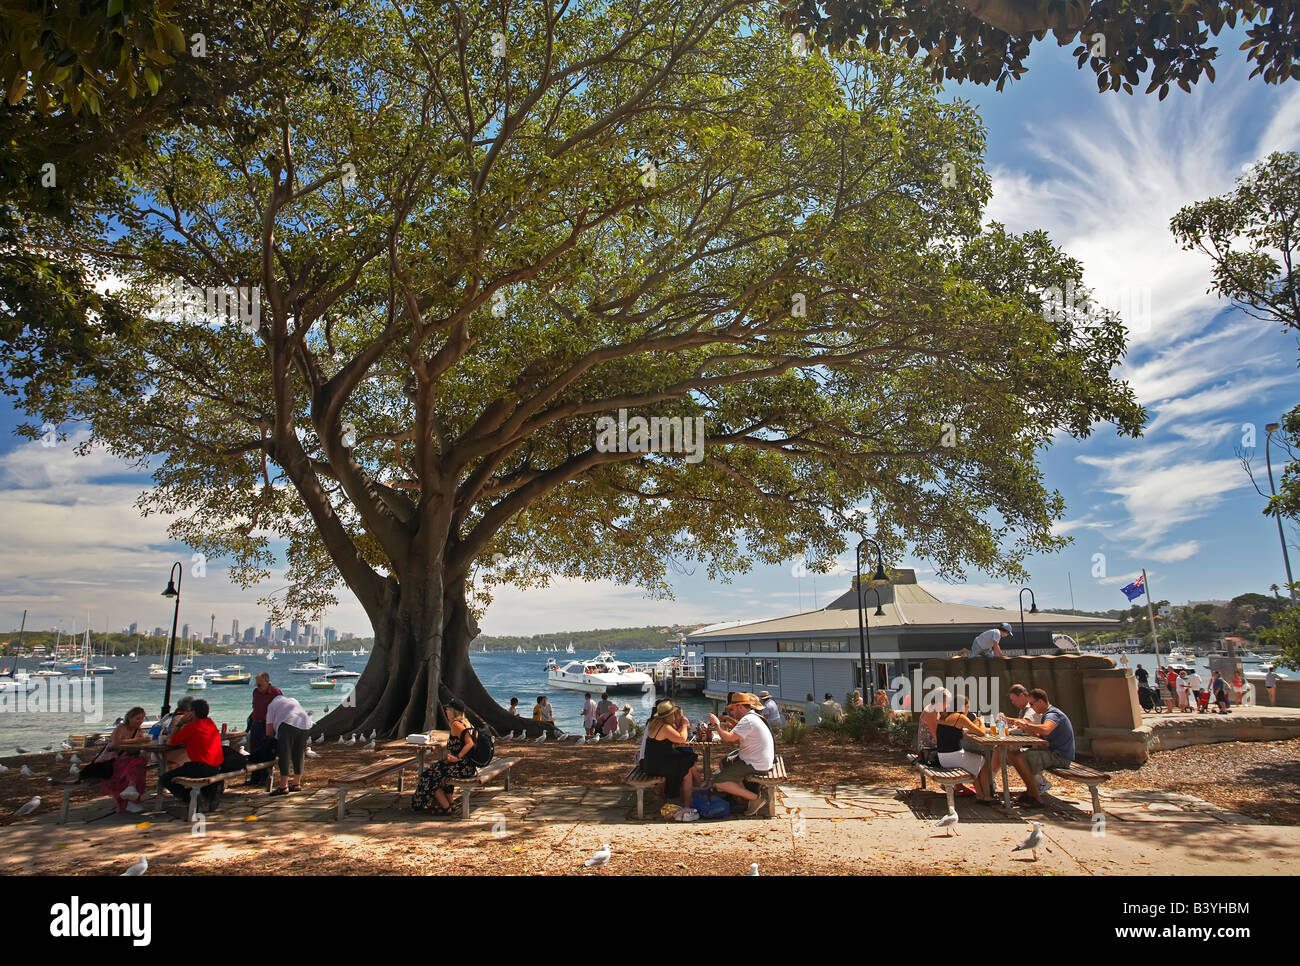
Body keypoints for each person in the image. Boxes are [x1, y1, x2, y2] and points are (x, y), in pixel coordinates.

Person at [1005, 689, 1075, 808]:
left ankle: (1035, 796)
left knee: (1017, 757)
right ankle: (1031, 791)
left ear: (1041, 701)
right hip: (1051, 752)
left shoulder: (1053, 714)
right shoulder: (1046, 715)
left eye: (1032, 704)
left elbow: (1046, 729)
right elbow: (1042, 738)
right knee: (1012, 754)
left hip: (1060, 756)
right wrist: (1027, 729)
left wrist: (1027, 725)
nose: (1031, 707)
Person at [707, 693, 774, 816]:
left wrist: (717, 725)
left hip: (755, 763)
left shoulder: (748, 720)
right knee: (724, 763)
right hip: (757, 759)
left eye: (733, 709)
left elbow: (729, 739)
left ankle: (754, 798)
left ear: (740, 707)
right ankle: (742, 797)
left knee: (718, 783)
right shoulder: (752, 717)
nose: (732, 713)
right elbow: (736, 739)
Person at [411, 698, 480, 815]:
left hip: (461, 766)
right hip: (468, 766)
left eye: (448, 709)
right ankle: (451, 804)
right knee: (439, 774)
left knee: (428, 777)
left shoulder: (456, 724)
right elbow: (474, 740)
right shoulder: (468, 723)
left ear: (454, 711)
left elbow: (470, 743)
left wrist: (458, 757)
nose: (446, 711)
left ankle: (446, 808)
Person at [163, 698, 225, 811]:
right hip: (216, 766)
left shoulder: (191, 727)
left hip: (201, 767)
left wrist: (180, 723)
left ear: (193, 712)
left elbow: (170, 740)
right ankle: (199, 797)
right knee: (185, 769)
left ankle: (190, 797)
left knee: (164, 778)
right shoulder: (210, 723)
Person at [931, 689, 993, 801]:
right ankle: (988, 796)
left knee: (974, 759)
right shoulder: (959, 717)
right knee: (982, 760)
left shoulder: (944, 717)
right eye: (968, 707)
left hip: (943, 758)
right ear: (962, 706)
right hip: (954, 757)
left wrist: (973, 725)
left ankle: (980, 794)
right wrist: (981, 722)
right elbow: (981, 732)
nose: (968, 710)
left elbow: (958, 731)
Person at [641, 699, 701, 807]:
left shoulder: (655, 724)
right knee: (687, 768)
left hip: (650, 764)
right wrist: (684, 725)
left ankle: (689, 794)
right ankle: (688, 803)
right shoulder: (665, 727)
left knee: (687, 760)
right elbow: (682, 739)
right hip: (657, 766)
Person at [994, 684, 1048, 795]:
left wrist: (1007, 719)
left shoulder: (1031, 708)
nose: (1013, 703)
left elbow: (1025, 723)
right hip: (1029, 742)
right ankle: (992, 779)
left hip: (1036, 745)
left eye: (1013, 699)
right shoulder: (1023, 710)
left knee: (1005, 751)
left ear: (1022, 695)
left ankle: (1040, 782)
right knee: (1000, 749)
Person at [100, 707, 151, 814]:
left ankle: (132, 794)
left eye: (142, 719)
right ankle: (130, 795)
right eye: (137, 718)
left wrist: (143, 742)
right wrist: (138, 740)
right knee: (132, 767)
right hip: (112, 758)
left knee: (140, 764)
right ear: (130, 718)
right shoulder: (121, 728)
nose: (140, 721)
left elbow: (139, 745)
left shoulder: (138, 731)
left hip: (129, 757)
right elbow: (115, 743)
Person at [266, 693, 312, 794]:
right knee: (299, 754)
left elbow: (269, 730)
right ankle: (296, 783)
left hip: (288, 724)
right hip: (305, 724)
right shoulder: (292, 700)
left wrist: (270, 740)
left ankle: (283, 786)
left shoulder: (271, 705)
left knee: (284, 754)